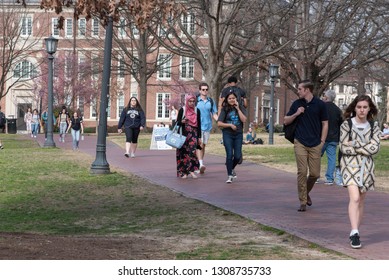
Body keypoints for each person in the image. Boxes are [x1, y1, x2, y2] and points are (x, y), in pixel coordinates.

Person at [340, 95, 380, 249]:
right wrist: (363, 145)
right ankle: (355, 232)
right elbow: (343, 147)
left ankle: (354, 230)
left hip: (367, 168)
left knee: (361, 200)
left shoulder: (374, 126)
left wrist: (354, 144)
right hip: (349, 167)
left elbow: (374, 148)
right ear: (354, 108)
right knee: (355, 198)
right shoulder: (346, 125)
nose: (362, 110)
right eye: (359, 107)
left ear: (369, 108)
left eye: (365, 107)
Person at [284, 80, 328, 212]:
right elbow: (286, 121)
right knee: (302, 172)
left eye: (299, 89)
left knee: (315, 174)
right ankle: (302, 201)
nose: (297, 91)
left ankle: (305, 192)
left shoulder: (320, 104)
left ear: (307, 90)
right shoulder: (297, 104)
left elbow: (325, 123)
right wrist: (297, 113)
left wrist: (322, 142)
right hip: (300, 142)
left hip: (315, 143)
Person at [217, 91, 247, 183]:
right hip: (228, 134)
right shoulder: (225, 109)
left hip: (238, 134)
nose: (231, 100)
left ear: (236, 99)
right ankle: (229, 175)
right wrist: (230, 125)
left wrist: (238, 109)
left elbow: (244, 120)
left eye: (233, 98)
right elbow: (219, 123)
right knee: (229, 154)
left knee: (237, 156)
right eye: (229, 98)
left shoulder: (240, 107)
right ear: (227, 99)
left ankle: (231, 168)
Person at [320, 90, 343, 185]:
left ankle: (315, 176)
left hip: (322, 137)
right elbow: (341, 124)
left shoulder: (321, 107)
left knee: (316, 156)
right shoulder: (338, 110)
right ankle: (329, 178)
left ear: (326, 97)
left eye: (324, 96)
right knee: (332, 158)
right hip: (334, 137)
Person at [176, 94, 202, 179]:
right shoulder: (182, 110)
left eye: (193, 101)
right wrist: (182, 121)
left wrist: (199, 137)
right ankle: (184, 172)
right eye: (190, 101)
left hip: (193, 134)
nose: (191, 103)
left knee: (192, 152)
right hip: (183, 134)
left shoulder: (197, 110)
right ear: (187, 101)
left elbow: (199, 124)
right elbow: (177, 122)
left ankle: (191, 171)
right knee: (183, 153)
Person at [195, 82, 218, 174]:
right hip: (197, 126)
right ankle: (200, 164)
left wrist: (219, 122)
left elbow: (214, 114)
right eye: (203, 89)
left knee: (203, 145)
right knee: (199, 145)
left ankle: (199, 163)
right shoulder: (196, 101)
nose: (205, 91)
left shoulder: (211, 101)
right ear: (200, 90)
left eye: (206, 89)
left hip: (207, 126)